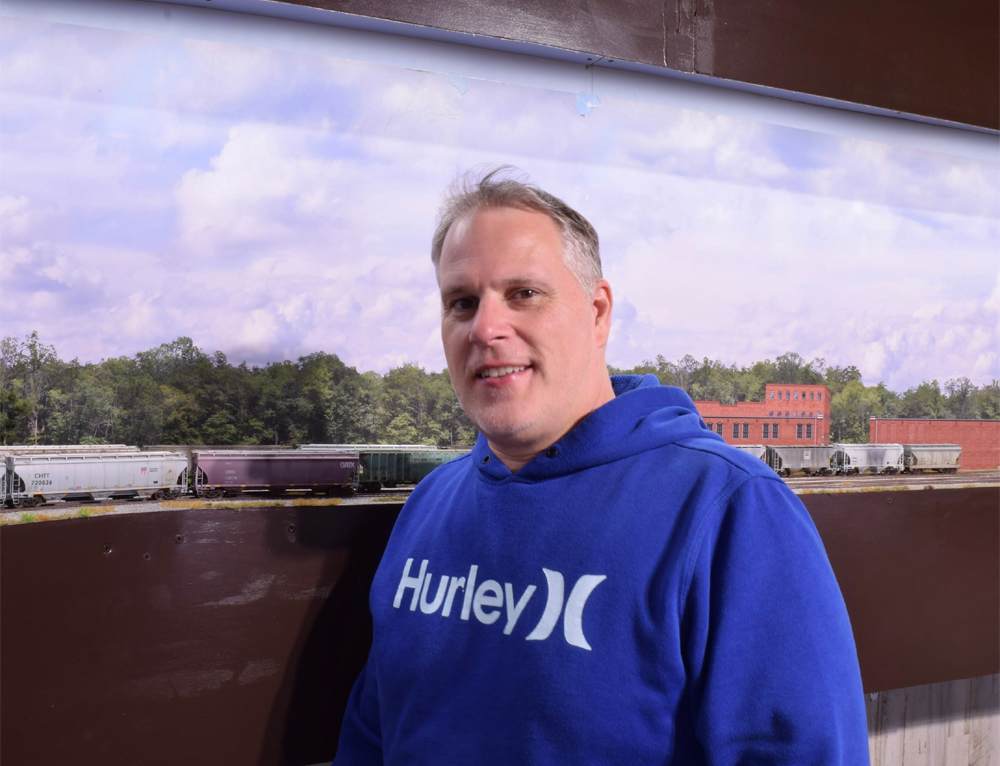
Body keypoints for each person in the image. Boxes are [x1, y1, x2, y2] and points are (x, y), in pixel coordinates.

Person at [334, 168, 870, 765]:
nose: (486, 328)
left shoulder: (730, 510)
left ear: (597, 313)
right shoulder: (428, 507)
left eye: (523, 294)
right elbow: (371, 738)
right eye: (462, 302)